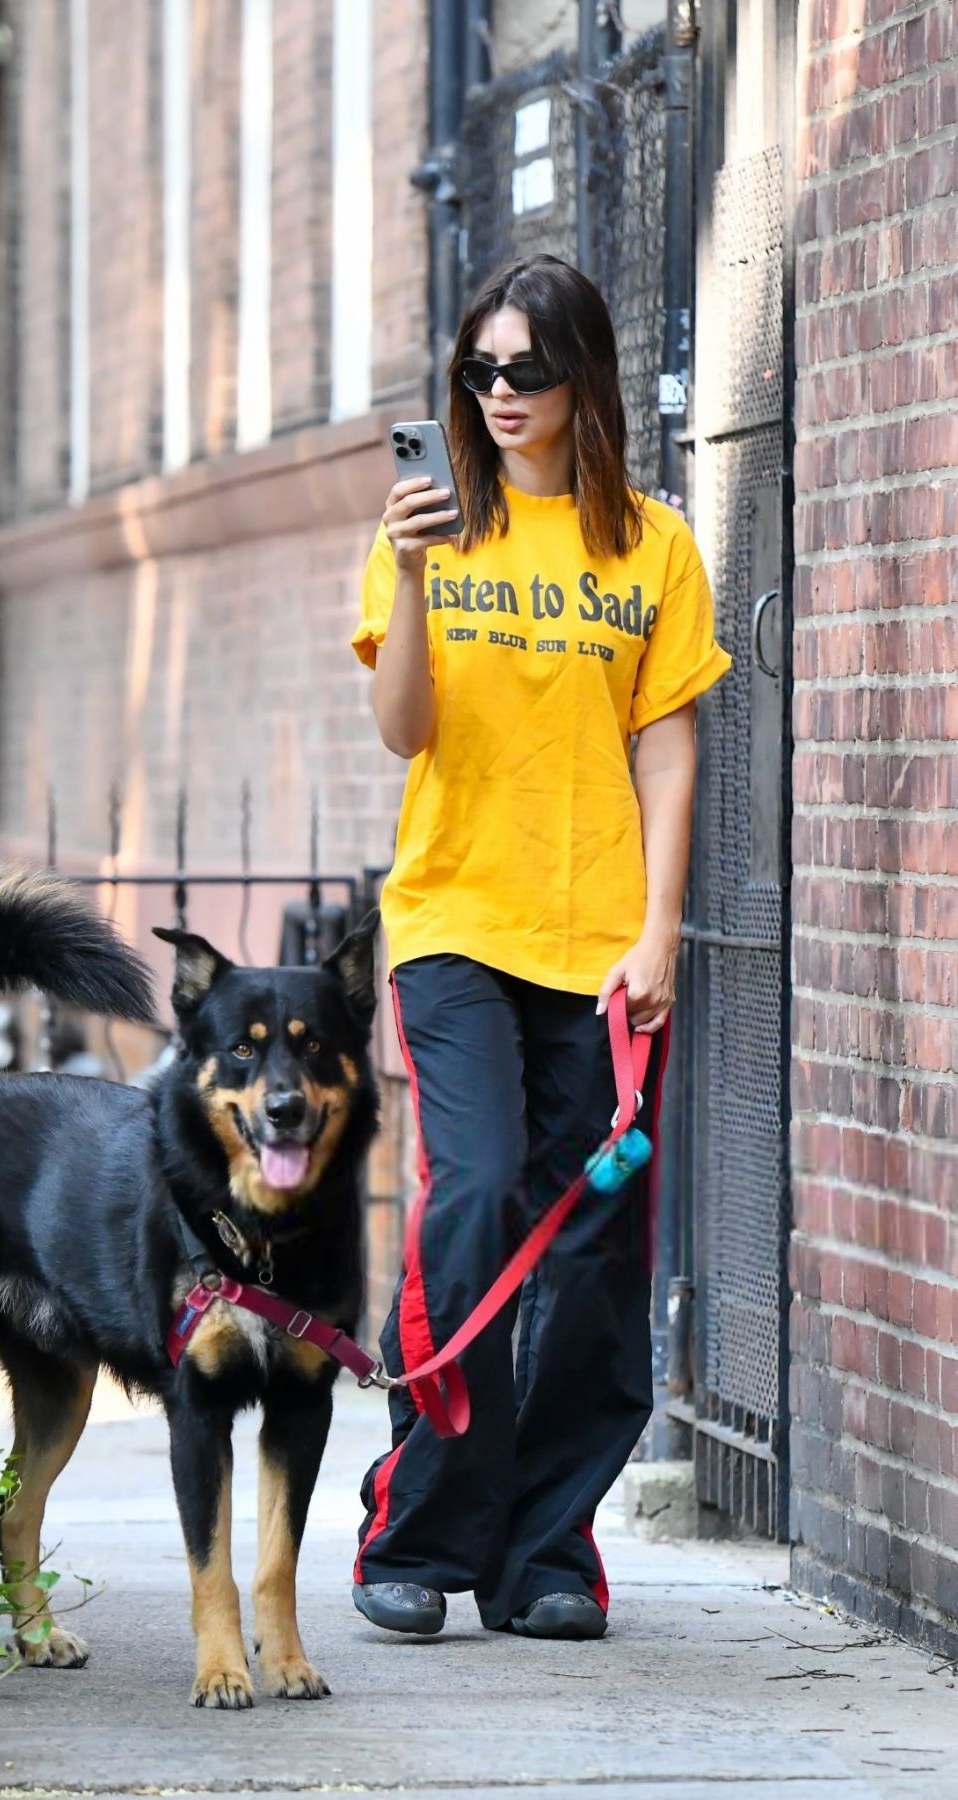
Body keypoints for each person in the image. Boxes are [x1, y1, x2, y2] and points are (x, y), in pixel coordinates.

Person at [349, 253, 731, 1641]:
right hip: (454, 919)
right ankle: (422, 1525)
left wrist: (659, 933)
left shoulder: (655, 549)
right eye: (481, 371)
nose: (500, 396)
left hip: (601, 943)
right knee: (479, 1192)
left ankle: (549, 1553)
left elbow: (669, 753)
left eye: (527, 371)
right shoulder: (434, 529)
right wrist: (403, 569)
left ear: (584, 379)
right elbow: (402, 732)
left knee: (589, 1242)